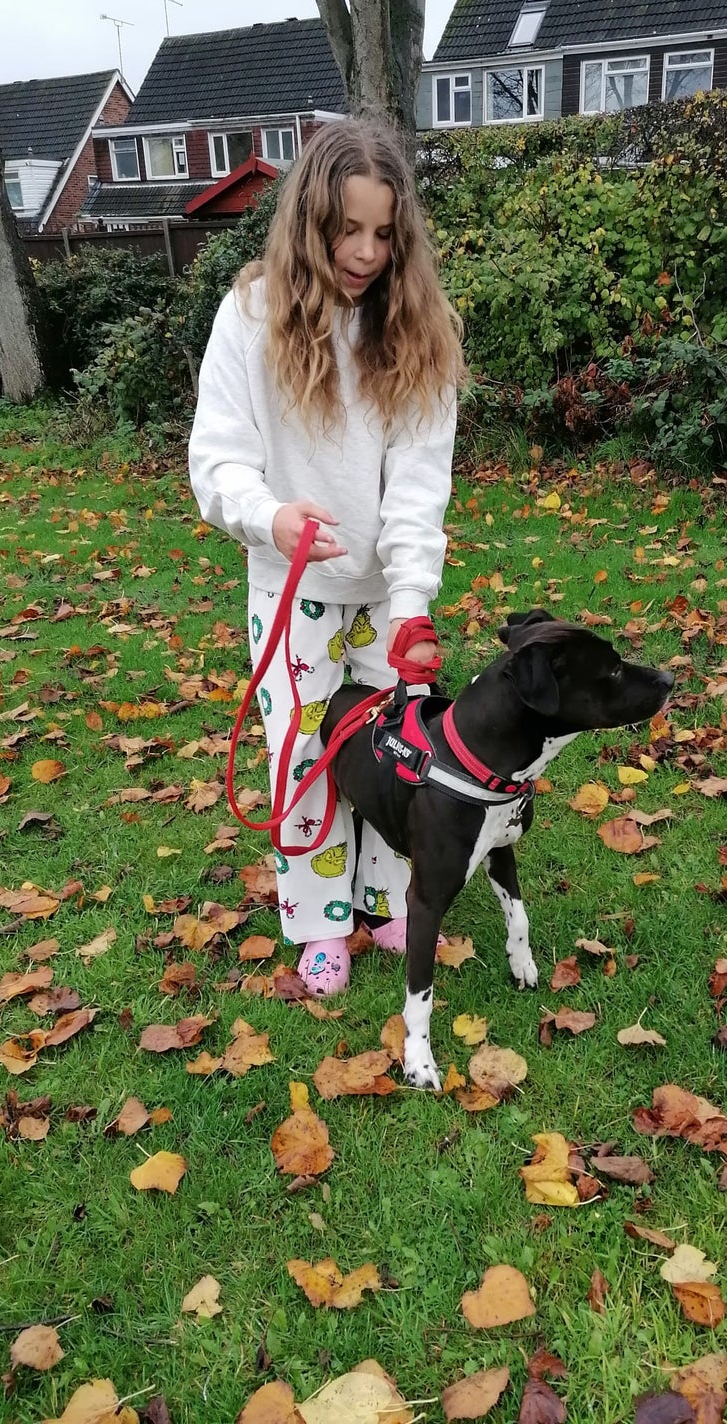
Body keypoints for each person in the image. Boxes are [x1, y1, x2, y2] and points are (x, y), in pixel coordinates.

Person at [188, 119, 464, 995]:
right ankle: (318, 922)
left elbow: (420, 487)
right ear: (310, 220)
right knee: (303, 755)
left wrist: (413, 601)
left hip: (385, 596)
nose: (366, 252)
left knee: (391, 752)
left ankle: (383, 900)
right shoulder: (252, 317)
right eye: (347, 230)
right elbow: (217, 456)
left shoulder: (416, 328)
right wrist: (268, 518)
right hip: (292, 585)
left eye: (385, 234)